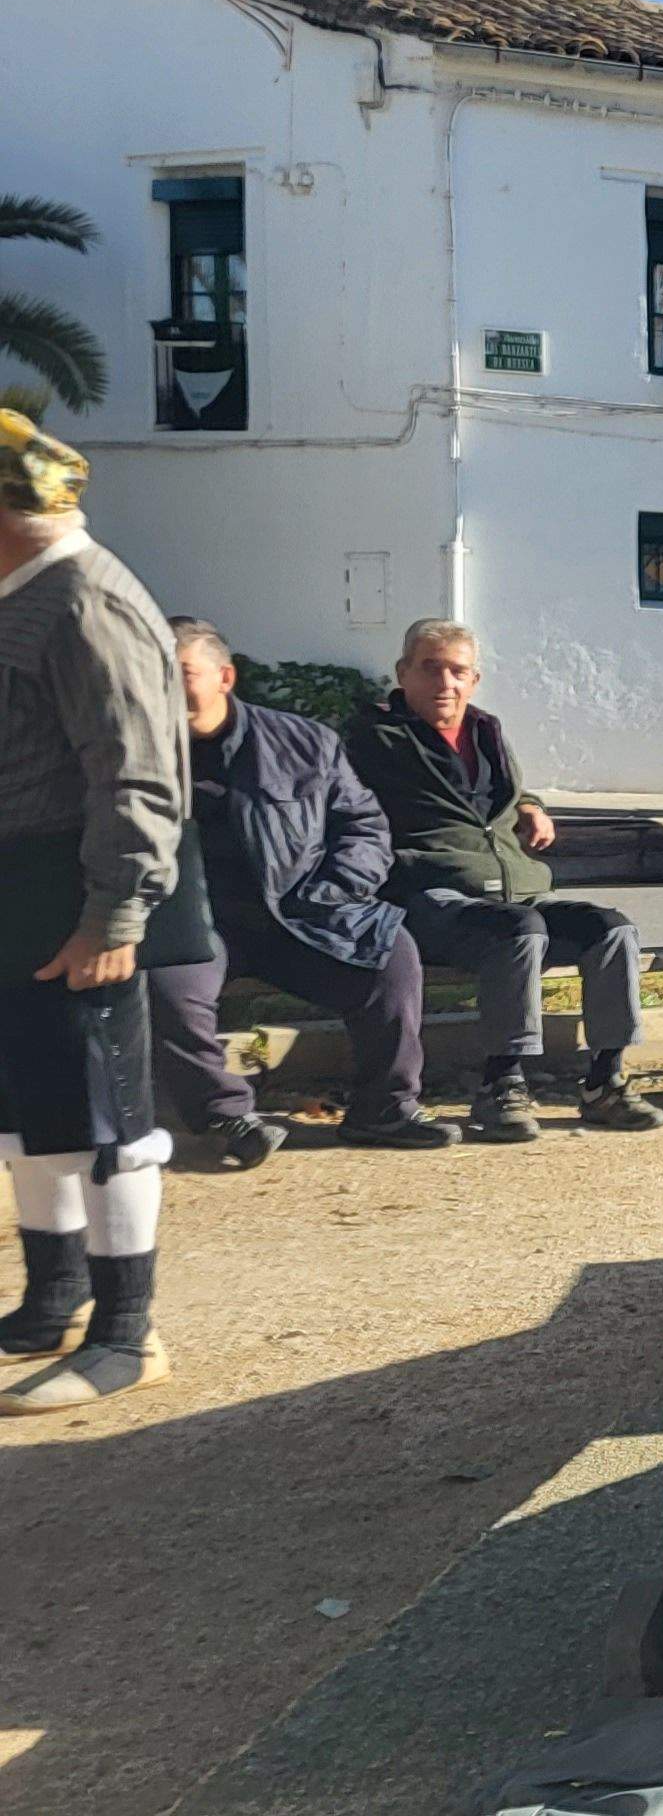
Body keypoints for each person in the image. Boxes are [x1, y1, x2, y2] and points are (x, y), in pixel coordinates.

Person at [0, 410, 187, 1411]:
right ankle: (52, 1301)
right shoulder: (26, 593)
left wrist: (115, 912)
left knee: (108, 1118)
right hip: (22, 888)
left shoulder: (84, 599)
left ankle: (126, 1333)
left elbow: (134, 771)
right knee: (35, 1115)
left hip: (74, 887)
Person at [144, 618, 457, 1160]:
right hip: (195, 922)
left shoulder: (304, 742)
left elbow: (363, 826)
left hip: (303, 912)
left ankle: (385, 1109)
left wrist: (335, 890)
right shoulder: (127, 749)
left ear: (224, 677)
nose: (167, 687)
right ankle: (227, 1119)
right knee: (167, 988)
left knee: (391, 955)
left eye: (182, 673)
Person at [345, 619, 663, 1139]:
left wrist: (531, 803)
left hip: (517, 891)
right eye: (430, 669)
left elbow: (503, 792)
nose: (444, 682)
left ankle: (604, 1081)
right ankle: (502, 1084)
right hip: (432, 900)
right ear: (404, 673)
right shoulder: (373, 739)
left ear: (474, 680)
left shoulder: (485, 731)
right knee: (519, 931)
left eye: (457, 671)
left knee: (611, 928)